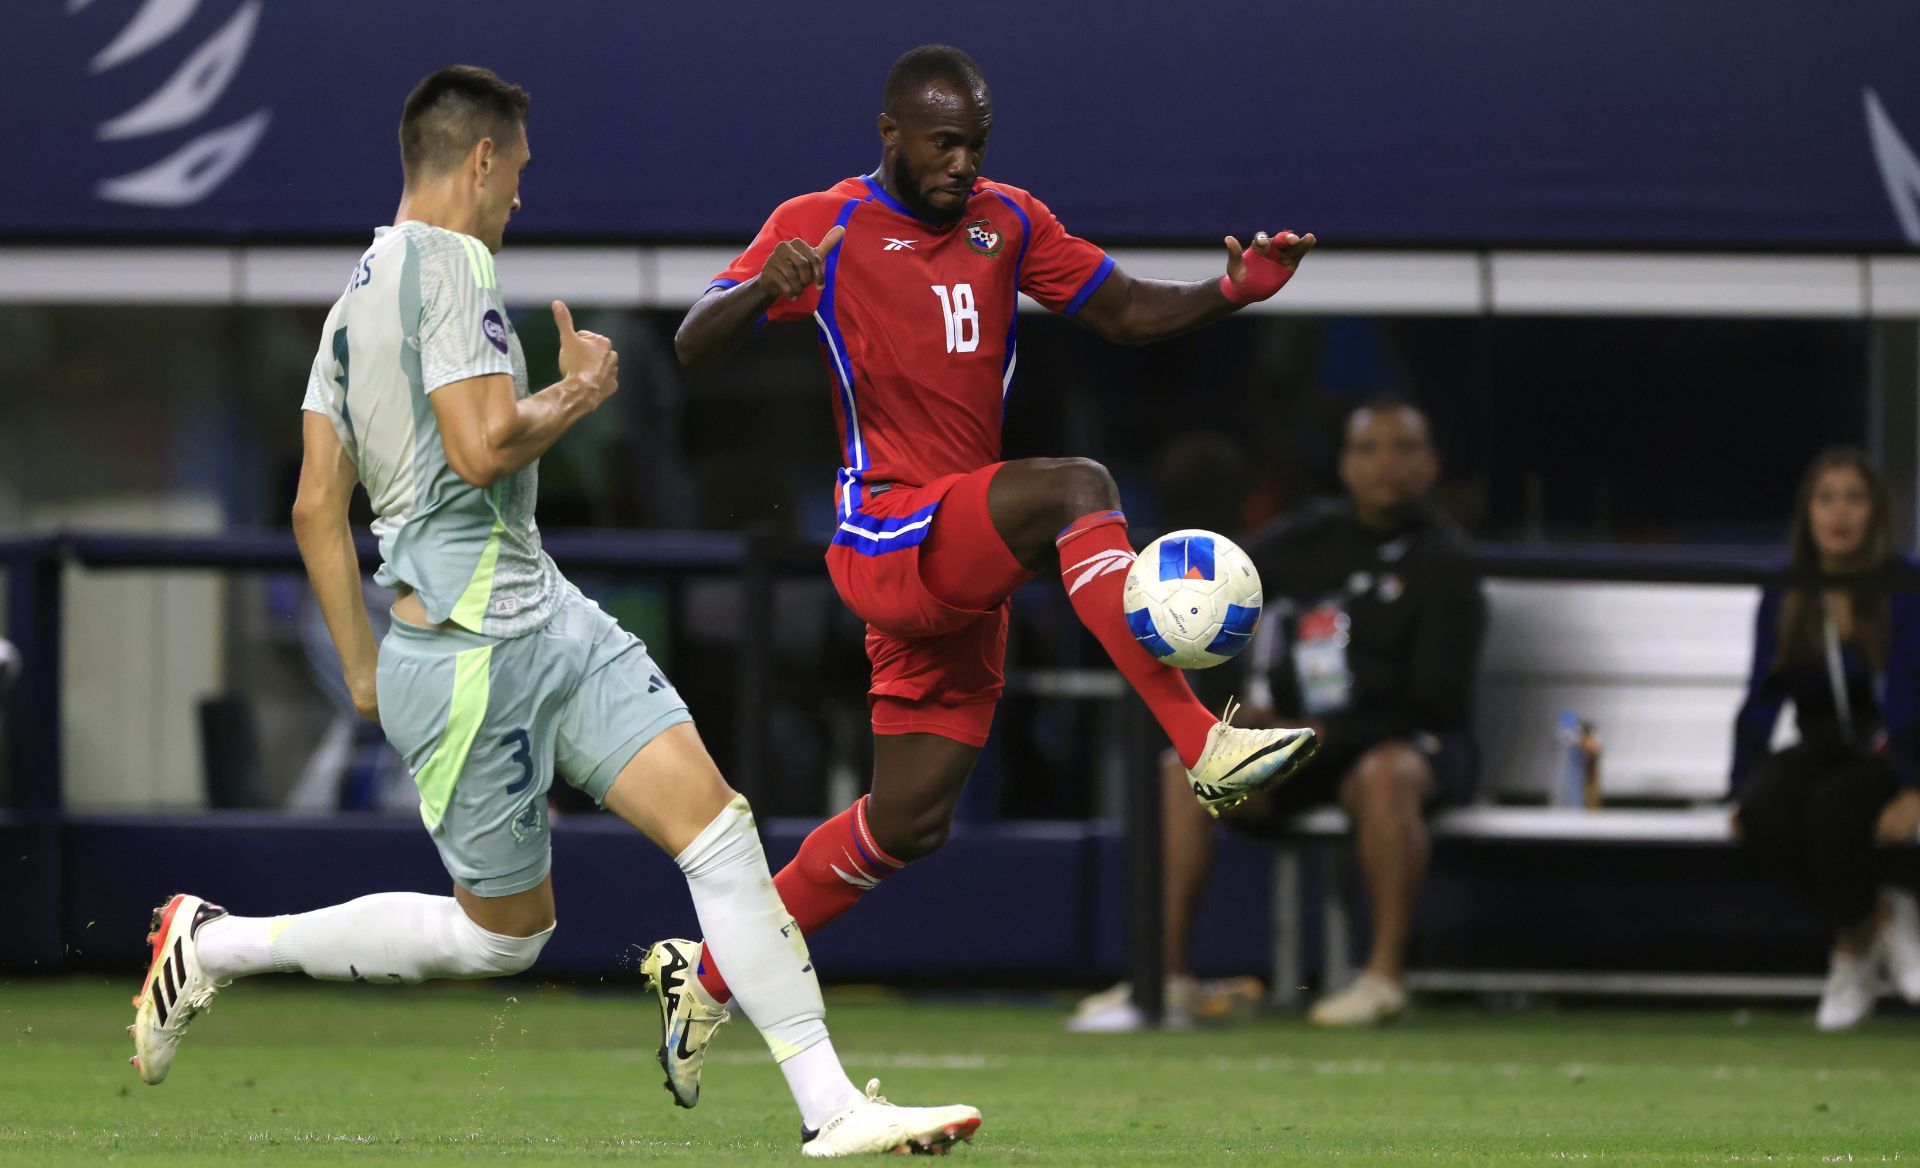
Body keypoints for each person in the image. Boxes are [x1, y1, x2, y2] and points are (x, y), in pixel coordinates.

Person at [125, 65, 979, 1158]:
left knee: (718, 831)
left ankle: (833, 1107)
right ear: (480, 160)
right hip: (477, 660)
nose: (521, 194)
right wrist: (577, 391)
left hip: (545, 622)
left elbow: (311, 507)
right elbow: (481, 448)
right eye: (519, 170)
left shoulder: (352, 298)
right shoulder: (455, 265)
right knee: (504, 942)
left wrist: (362, 671)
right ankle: (217, 945)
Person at [655, 43, 1320, 1097]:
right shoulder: (818, 224)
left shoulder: (1009, 219)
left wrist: (1232, 289)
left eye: (977, 144)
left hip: (959, 559)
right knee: (1077, 487)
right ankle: (1205, 740)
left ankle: (712, 975)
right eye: (944, 144)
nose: (964, 164)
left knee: (908, 822)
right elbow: (693, 339)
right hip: (886, 532)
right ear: (891, 136)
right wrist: (761, 292)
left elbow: (1128, 311)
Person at [1074, 401, 1485, 1030]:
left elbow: (1436, 698)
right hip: (1301, 745)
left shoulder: (1446, 564)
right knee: (1184, 771)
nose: (1386, 465)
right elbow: (1228, 617)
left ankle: (1382, 978)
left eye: (1403, 449)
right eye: (1368, 449)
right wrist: (1249, 712)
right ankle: (1163, 980)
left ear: (1430, 464)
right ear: (1345, 464)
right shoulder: (1299, 543)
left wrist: (1331, 730)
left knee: (1386, 774)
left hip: (1405, 745)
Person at [1731, 448, 1920, 1031]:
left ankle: (1849, 956)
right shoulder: (1787, 592)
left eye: (1855, 498)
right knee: (1767, 810)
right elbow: (1761, 699)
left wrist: (1916, 789)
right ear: (1807, 513)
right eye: (1825, 498)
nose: (1839, 513)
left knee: (1834, 809)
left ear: (1876, 512)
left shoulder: (1906, 587)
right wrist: (1738, 787)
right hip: (1825, 747)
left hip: (1895, 750)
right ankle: (1871, 920)